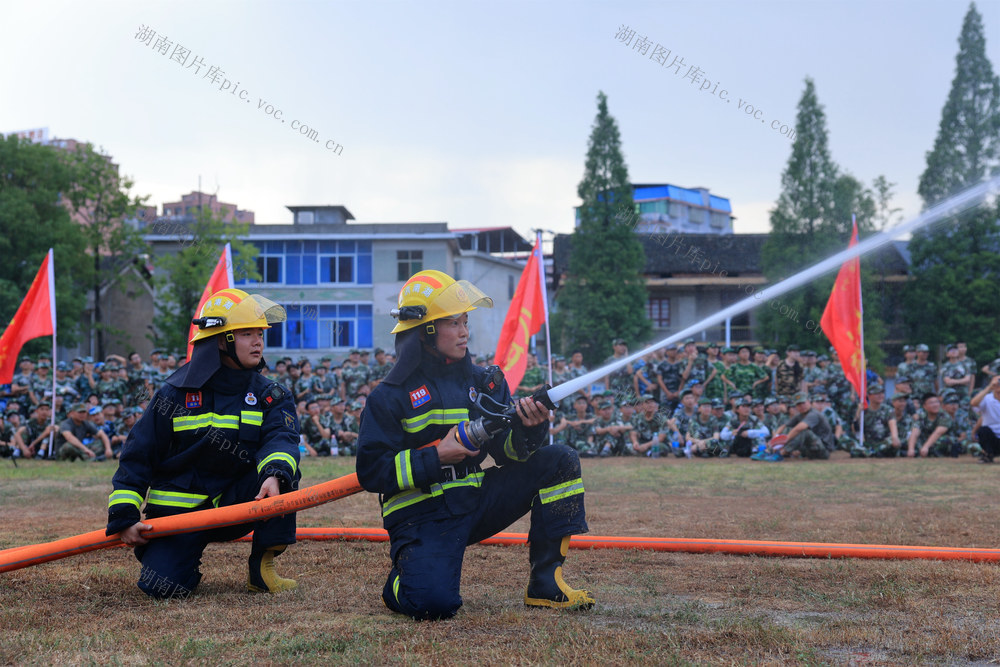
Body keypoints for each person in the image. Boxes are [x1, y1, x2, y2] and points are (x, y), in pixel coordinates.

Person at [356, 270, 592, 620]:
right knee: (434, 605)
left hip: (475, 500)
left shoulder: (485, 382)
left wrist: (529, 428)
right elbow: (372, 472)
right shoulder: (388, 397)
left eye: (465, 321)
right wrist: (437, 456)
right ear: (425, 330)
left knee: (559, 460)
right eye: (453, 322)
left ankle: (546, 583)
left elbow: (505, 453)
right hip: (420, 517)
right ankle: (402, 580)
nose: (465, 331)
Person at [106, 288, 301, 599]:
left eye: (260, 333)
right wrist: (124, 514)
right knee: (161, 587)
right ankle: (176, 560)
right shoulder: (174, 394)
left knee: (283, 473)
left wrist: (274, 474)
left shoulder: (270, 394)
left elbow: (282, 437)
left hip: (237, 505)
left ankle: (262, 570)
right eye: (247, 333)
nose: (258, 342)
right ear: (222, 340)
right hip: (178, 514)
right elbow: (138, 454)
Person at [970, 375, 1000, 463]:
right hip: (992, 437)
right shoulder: (987, 399)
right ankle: (988, 454)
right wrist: (989, 388)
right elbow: (973, 403)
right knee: (983, 430)